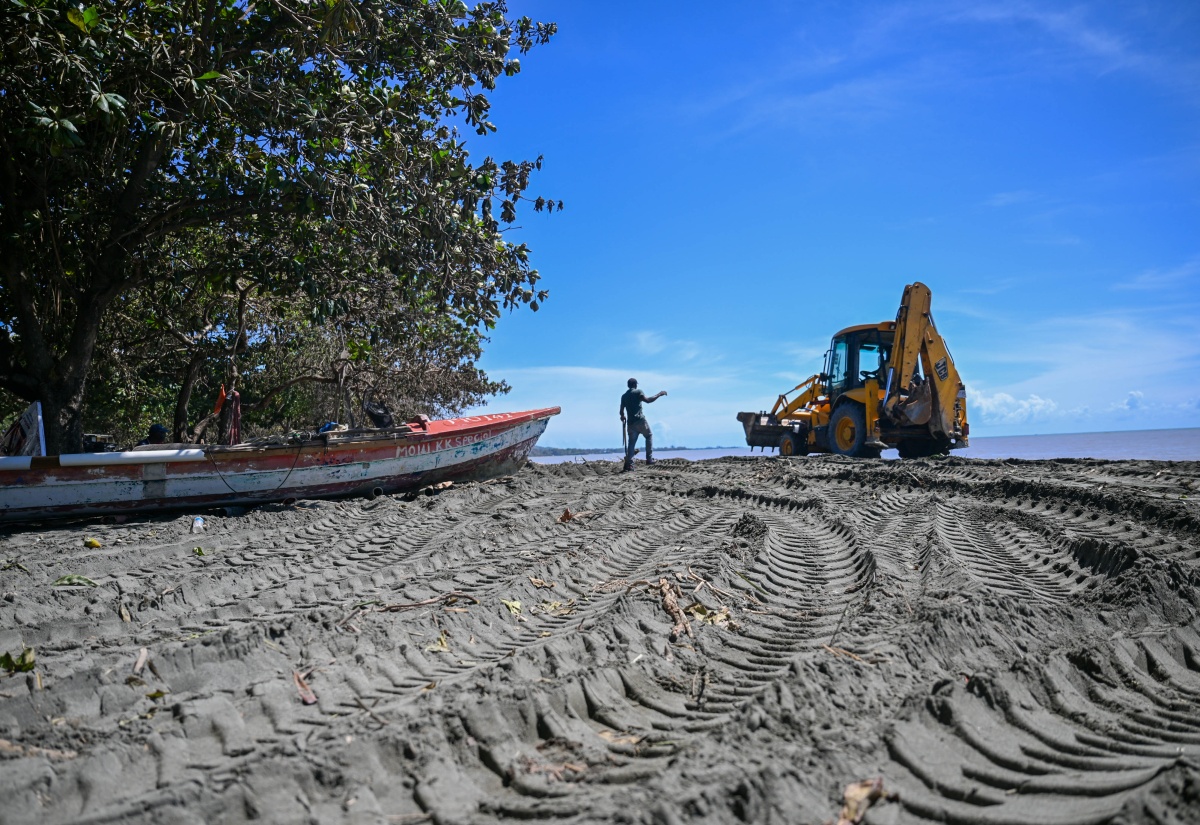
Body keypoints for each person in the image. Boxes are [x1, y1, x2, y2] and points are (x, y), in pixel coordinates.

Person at [620, 378, 667, 471]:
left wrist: (623, 416)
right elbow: (648, 400)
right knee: (649, 436)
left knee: (631, 444)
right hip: (640, 421)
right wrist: (659, 394)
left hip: (631, 423)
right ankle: (649, 459)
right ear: (635, 385)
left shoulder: (624, 396)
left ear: (628, 385)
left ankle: (630, 464)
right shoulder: (638, 392)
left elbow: (621, 411)